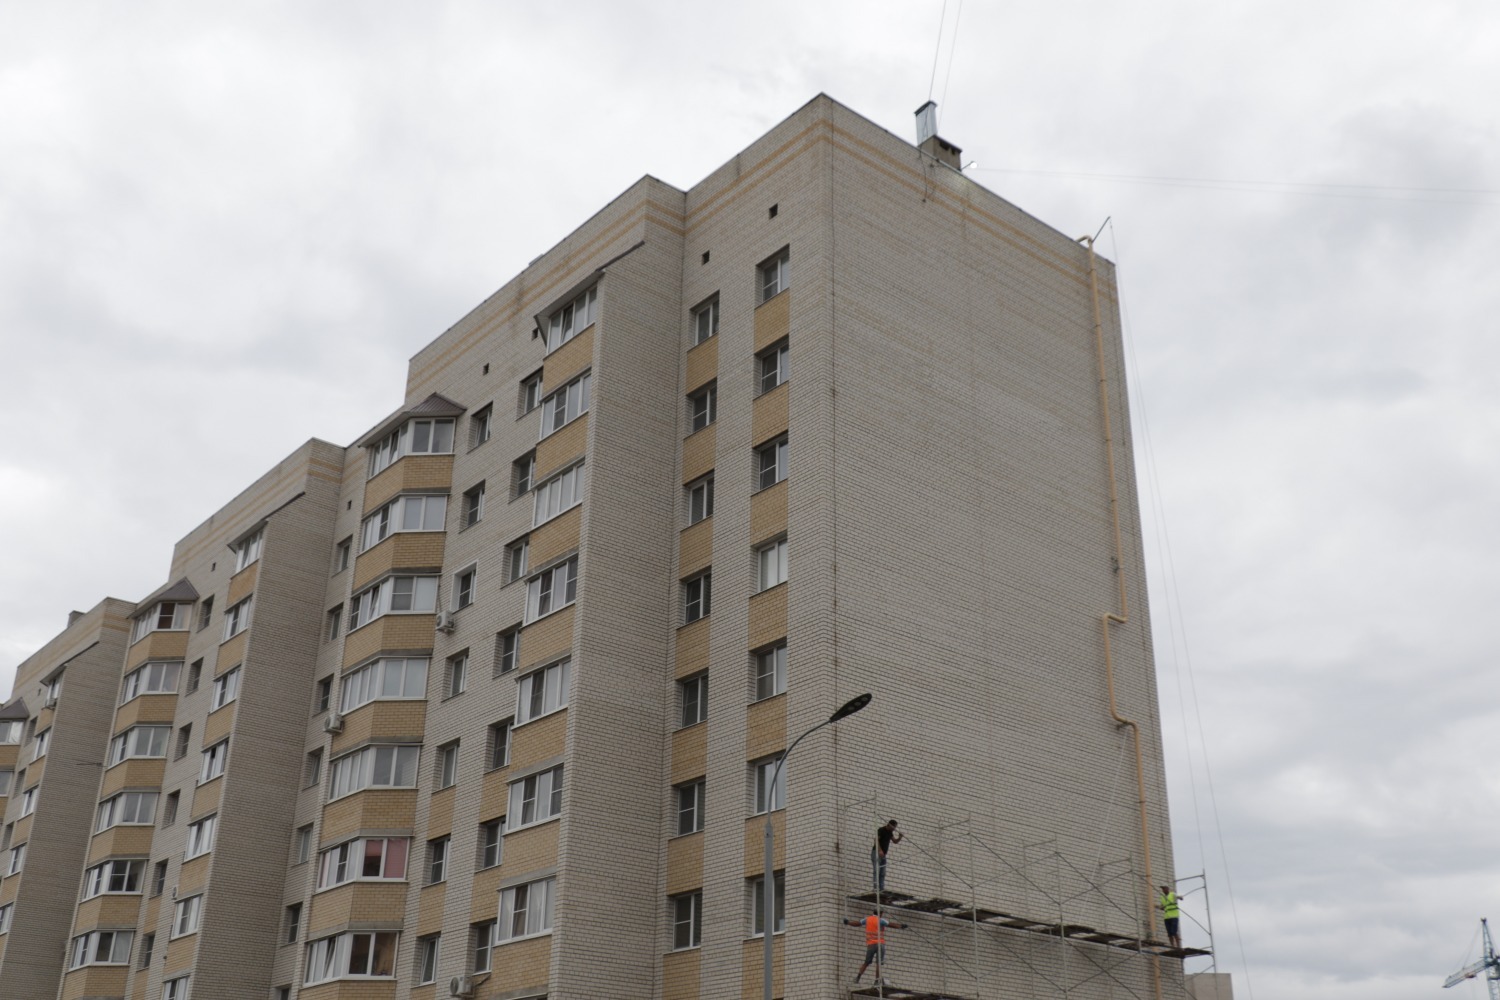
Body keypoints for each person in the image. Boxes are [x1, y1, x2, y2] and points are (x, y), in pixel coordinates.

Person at [844, 911, 907, 986]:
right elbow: (891, 924)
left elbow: (858, 923)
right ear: (880, 913)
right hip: (880, 944)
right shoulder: (880, 920)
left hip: (871, 944)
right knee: (878, 963)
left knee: (866, 962)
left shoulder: (867, 919)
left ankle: (858, 978)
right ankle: (876, 981)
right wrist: (901, 926)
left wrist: (848, 922)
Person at [871, 819, 902, 894]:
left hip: (883, 855)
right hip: (876, 852)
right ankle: (876, 888)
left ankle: (881, 889)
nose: (894, 829)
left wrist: (900, 837)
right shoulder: (881, 830)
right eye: (893, 827)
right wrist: (880, 850)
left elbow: (894, 841)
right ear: (889, 825)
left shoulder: (890, 832)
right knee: (877, 870)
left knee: (882, 872)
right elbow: (876, 840)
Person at [1157, 884, 1181, 949]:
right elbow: (1162, 906)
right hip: (1167, 917)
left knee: (1174, 932)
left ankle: (1178, 946)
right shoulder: (1162, 897)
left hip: (1173, 916)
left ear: (1167, 889)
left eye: (1164, 888)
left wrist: (1180, 897)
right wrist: (1161, 907)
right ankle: (1172, 946)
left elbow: (1178, 897)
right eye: (1162, 889)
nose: (1163, 890)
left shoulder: (1172, 894)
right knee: (1169, 933)